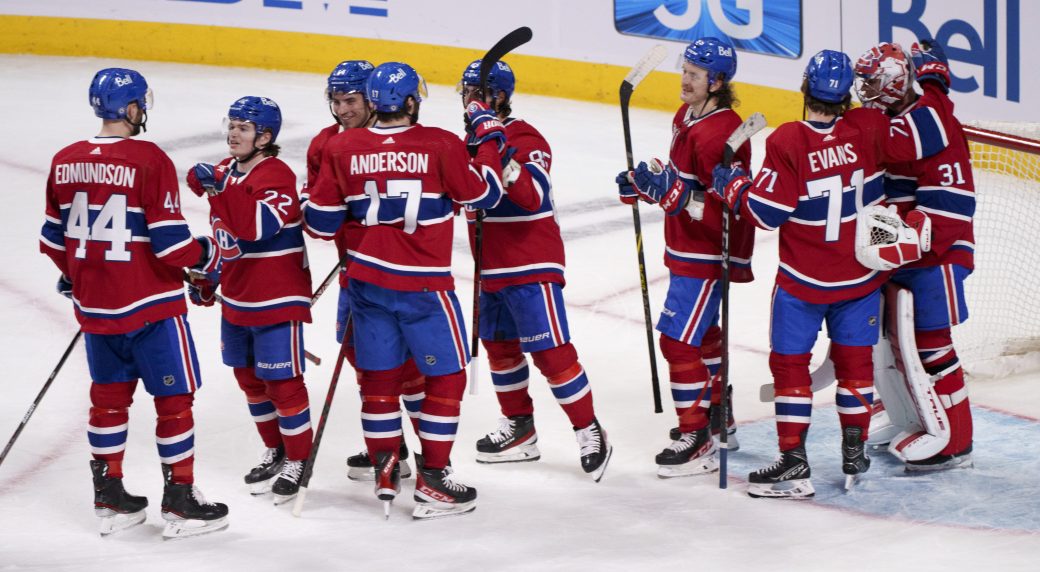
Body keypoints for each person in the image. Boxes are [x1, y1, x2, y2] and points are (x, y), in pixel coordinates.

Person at [710, 49, 953, 498]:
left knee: (790, 367)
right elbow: (928, 137)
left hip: (803, 283)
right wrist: (934, 85)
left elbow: (766, 212)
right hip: (859, 280)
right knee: (855, 366)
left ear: (805, 87)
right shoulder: (871, 126)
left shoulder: (787, 141)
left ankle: (793, 463)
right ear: (847, 96)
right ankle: (853, 449)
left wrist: (733, 186)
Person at [304, 62, 507, 519]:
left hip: (367, 284)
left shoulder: (342, 146)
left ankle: (385, 466)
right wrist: (490, 139)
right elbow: (484, 195)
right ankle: (433, 478)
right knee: (449, 376)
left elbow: (319, 224)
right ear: (412, 101)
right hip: (423, 285)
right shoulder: (441, 143)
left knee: (378, 379)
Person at [39, 67, 228, 538]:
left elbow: (51, 238)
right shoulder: (148, 160)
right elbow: (169, 245)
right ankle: (180, 498)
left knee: (107, 401)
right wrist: (209, 252)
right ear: (130, 108)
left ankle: (110, 498)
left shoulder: (64, 160)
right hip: (151, 309)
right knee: (174, 400)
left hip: (98, 311)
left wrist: (75, 275)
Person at [458, 59, 612, 481]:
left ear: (498, 97)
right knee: (500, 349)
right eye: (465, 93)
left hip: (530, 263)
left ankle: (588, 429)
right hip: (490, 268)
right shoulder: (466, 143)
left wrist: (499, 144)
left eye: (475, 93)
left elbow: (532, 196)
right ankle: (520, 430)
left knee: (550, 352)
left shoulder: (526, 136)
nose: (467, 101)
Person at [615, 37, 755, 478]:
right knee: (705, 334)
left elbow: (727, 209)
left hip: (708, 253)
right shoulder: (687, 116)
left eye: (695, 74)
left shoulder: (722, 134)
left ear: (716, 82)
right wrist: (644, 185)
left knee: (676, 341)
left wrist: (674, 197)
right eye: (685, 70)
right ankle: (718, 413)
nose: (685, 80)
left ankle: (695, 436)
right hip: (683, 248)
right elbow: (682, 183)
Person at [185, 96, 315, 505]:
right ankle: (276, 449)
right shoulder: (225, 172)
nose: (233, 133)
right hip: (238, 297)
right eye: (232, 125)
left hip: (277, 297)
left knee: (282, 382)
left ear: (266, 136)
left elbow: (256, 227)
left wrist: (220, 188)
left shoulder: (276, 173)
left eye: (244, 127)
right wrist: (211, 275)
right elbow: (229, 239)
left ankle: (299, 459)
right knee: (249, 381)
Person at [854, 40, 975, 470]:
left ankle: (956, 440)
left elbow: (953, 207)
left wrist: (915, 236)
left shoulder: (917, 127)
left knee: (932, 345)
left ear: (893, 82)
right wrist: (931, 70)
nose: (864, 92)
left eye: (871, 83)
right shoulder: (924, 100)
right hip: (911, 247)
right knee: (892, 340)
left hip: (939, 251)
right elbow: (936, 83)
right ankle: (909, 415)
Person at [303, 60, 423, 482]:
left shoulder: (401, 141)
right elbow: (317, 213)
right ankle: (393, 445)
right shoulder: (324, 144)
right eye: (335, 101)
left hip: (400, 272)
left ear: (373, 98)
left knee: (406, 362)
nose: (342, 110)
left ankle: (428, 449)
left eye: (350, 101)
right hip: (355, 272)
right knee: (360, 354)